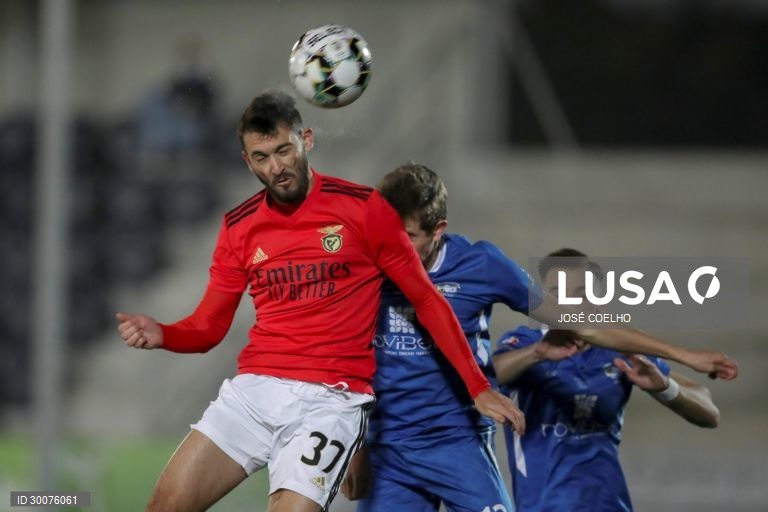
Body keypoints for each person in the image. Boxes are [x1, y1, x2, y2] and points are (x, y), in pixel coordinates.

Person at [115, 91, 524, 512]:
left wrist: (478, 387)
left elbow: (427, 299)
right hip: (255, 392)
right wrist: (164, 333)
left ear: (306, 139)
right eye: (261, 157)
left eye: (283, 150)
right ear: (247, 161)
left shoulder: (364, 209)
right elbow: (209, 327)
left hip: (330, 402)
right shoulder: (239, 226)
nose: (276, 167)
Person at [341, 165, 735, 512]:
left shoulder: (481, 264)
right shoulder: (361, 263)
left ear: (438, 230)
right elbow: (346, 355)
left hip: (457, 439)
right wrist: (355, 445)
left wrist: (683, 355)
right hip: (389, 447)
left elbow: (585, 323)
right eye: (385, 231)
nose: (391, 244)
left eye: (408, 235)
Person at [493, 248, 722, 511]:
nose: (568, 302)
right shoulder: (525, 343)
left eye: (580, 293)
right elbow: (484, 377)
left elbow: (710, 413)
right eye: (557, 294)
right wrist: (536, 354)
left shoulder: (621, 351)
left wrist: (665, 387)